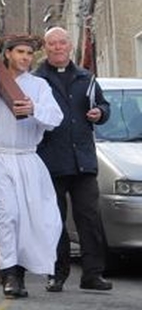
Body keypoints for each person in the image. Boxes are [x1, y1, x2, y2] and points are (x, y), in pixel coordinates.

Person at [0, 36, 63, 298]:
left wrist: (34, 108)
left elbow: (55, 118)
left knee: (34, 216)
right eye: (20, 52)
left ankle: (21, 271)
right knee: (8, 213)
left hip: (27, 157)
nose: (25, 57)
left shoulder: (39, 85)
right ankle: (9, 273)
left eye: (29, 53)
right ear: (8, 54)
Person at [34, 26, 113, 292]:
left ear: (70, 46)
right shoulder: (37, 80)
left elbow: (103, 106)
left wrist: (99, 113)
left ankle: (93, 274)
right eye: (52, 43)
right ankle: (56, 273)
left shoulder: (86, 77)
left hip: (83, 160)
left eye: (62, 43)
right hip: (51, 160)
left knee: (89, 218)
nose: (57, 47)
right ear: (46, 48)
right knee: (54, 220)